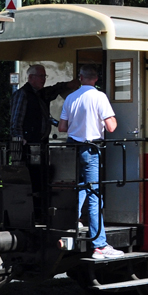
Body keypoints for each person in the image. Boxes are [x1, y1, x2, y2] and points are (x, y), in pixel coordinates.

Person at [58, 65, 121, 260]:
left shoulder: (71, 97)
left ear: (81, 77)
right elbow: (111, 127)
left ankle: (67, 226)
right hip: (91, 149)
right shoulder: (99, 97)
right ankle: (100, 245)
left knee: (79, 188)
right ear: (96, 79)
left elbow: (62, 127)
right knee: (94, 194)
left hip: (72, 148)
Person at [9, 65, 78, 217]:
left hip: (40, 145)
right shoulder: (23, 95)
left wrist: (68, 85)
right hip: (27, 146)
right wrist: (20, 140)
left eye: (44, 76)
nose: (43, 80)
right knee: (30, 179)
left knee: (41, 177)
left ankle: (40, 212)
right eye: (41, 76)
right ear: (31, 78)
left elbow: (54, 90)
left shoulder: (41, 94)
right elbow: (16, 120)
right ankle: (31, 212)